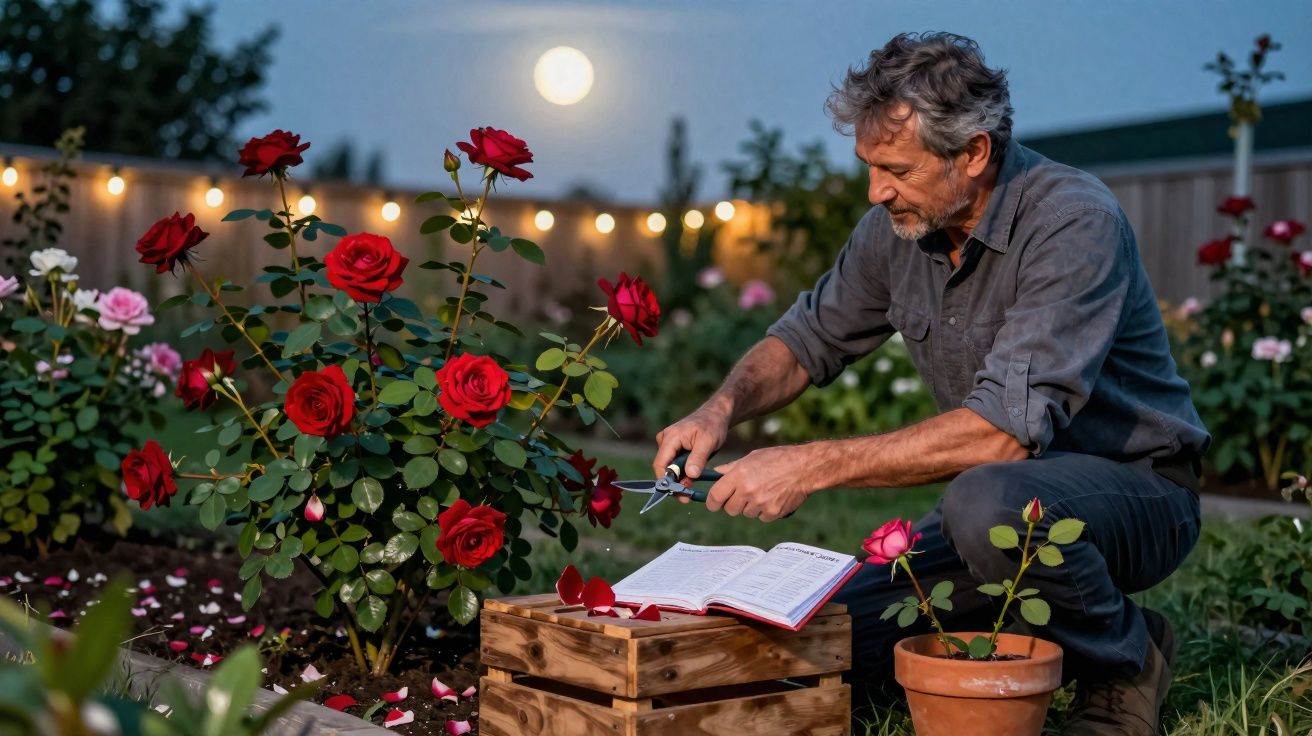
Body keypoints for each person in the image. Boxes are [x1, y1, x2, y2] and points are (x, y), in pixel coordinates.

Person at [652, 32, 1209, 736]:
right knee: (828, 640)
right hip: (1001, 506)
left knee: (985, 501)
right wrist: (718, 409)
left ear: (973, 153)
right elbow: (804, 341)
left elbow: (1001, 435)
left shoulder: (1072, 221)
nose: (875, 189)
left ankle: (1126, 661)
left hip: (1136, 491)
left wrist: (808, 464)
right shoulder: (896, 228)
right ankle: (1025, 615)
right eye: (867, 165)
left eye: (895, 168)